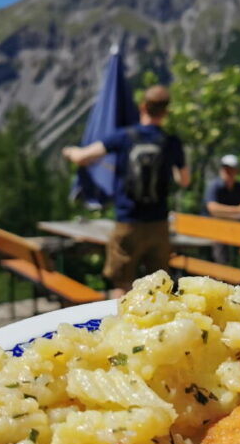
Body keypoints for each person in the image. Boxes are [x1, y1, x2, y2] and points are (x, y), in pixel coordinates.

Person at [63, 84, 189, 297]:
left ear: (142, 107)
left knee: (122, 285)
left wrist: (69, 151)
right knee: (160, 287)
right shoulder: (171, 142)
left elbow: (82, 158)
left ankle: (120, 328)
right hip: (158, 225)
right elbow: (184, 180)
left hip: (128, 222)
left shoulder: (123, 137)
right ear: (165, 111)